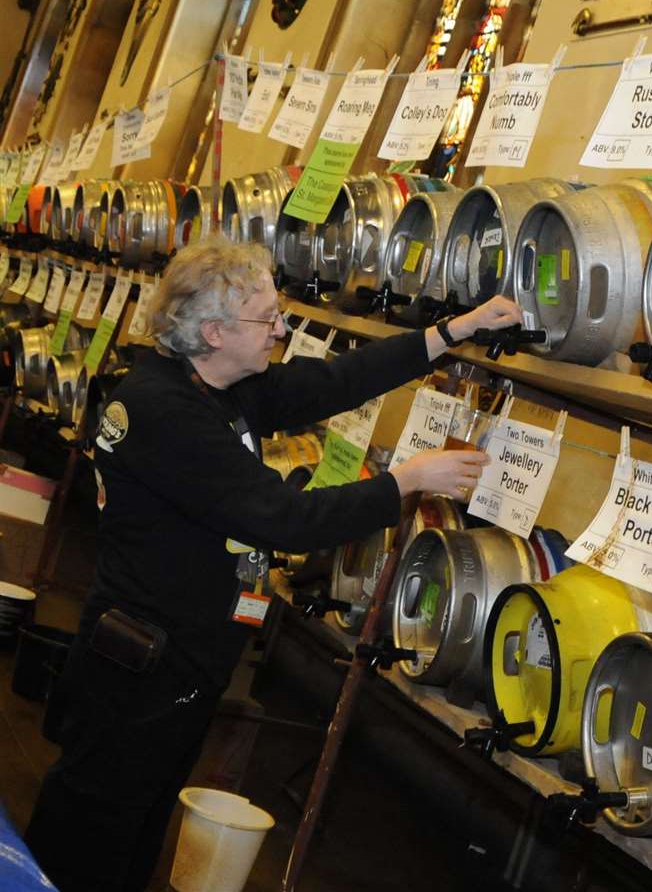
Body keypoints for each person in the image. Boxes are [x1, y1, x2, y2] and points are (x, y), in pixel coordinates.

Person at [25, 237, 521, 891]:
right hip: (143, 662)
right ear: (213, 330)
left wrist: (450, 331)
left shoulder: (217, 386)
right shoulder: (164, 411)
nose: (281, 330)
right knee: (96, 822)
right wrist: (403, 483)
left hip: (182, 652)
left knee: (138, 816)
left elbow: (336, 381)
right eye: (268, 319)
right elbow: (280, 517)